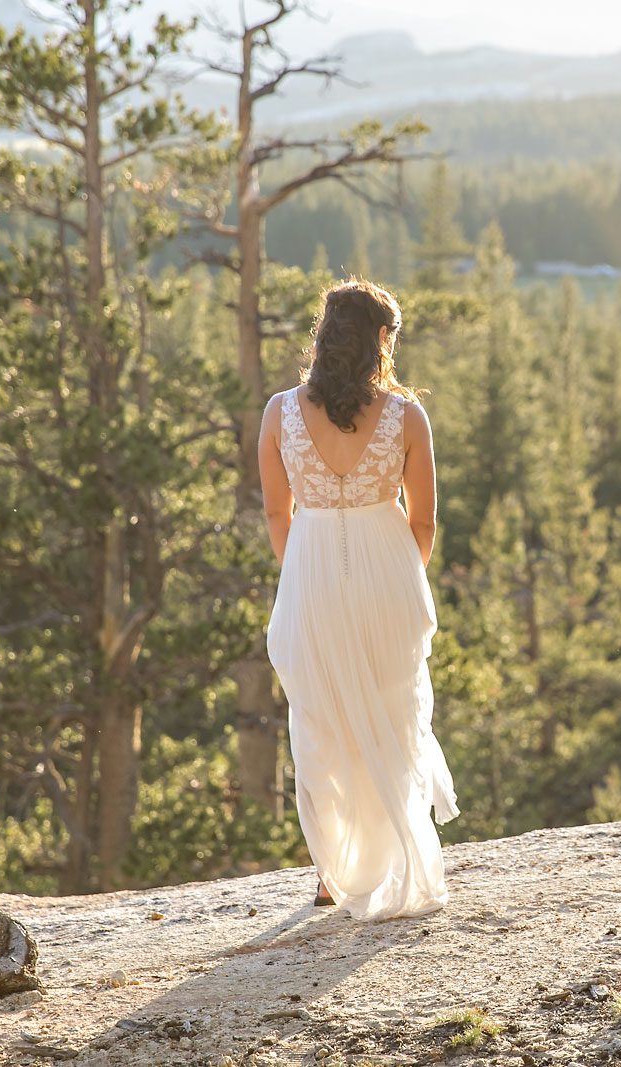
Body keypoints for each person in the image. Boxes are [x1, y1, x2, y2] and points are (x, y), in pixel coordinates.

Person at [258, 276, 461, 921]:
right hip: (387, 571)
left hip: (310, 570)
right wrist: (401, 575)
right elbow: (424, 518)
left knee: (321, 722)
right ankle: (392, 858)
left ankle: (330, 872)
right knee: (391, 714)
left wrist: (306, 577)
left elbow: (274, 511)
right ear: (378, 340)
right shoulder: (407, 416)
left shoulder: (279, 413)